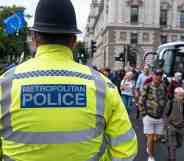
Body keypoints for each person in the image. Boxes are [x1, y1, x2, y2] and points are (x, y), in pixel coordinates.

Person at [0, 0, 137, 161]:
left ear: (35, 38)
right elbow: (125, 151)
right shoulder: (103, 86)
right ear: (73, 41)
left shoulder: (5, 85)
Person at [139, 69, 167, 161]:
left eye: (160, 75)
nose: (158, 76)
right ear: (153, 75)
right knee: (151, 138)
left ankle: (149, 145)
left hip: (159, 117)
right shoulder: (147, 86)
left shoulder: (163, 86)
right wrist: (144, 114)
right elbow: (141, 101)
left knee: (156, 138)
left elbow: (165, 99)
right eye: (156, 74)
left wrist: (164, 114)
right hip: (149, 116)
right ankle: (151, 156)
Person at [164, 87, 184, 161]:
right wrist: (166, 125)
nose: (182, 97)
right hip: (171, 126)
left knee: (179, 144)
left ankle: (169, 148)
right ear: (175, 95)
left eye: (183, 95)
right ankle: (172, 158)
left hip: (181, 127)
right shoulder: (171, 103)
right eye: (180, 95)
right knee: (173, 145)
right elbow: (166, 114)